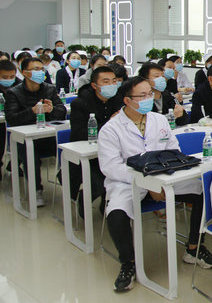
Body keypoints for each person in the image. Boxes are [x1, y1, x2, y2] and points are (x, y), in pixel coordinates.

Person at [98, 77, 212, 292]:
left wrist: (159, 181)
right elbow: (111, 167)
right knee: (116, 213)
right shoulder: (111, 129)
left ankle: (193, 248)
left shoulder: (159, 120)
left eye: (150, 93)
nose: (149, 98)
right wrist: (149, 183)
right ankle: (128, 263)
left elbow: (173, 149)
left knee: (202, 191)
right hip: (128, 183)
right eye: (142, 95)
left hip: (164, 179)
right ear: (127, 100)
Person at [5, 57, 67, 205]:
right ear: (24, 72)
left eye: (41, 69)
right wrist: (33, 111)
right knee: (30, 153)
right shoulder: (14, 93)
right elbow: (12, 119)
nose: (40, 72)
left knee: (66, 149)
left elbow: (62, 111)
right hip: (25, 139)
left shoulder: (49, 89)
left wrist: (51, 109)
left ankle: (67, 182)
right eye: (35, 69)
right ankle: (36, 189)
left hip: (47, 136)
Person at [68, 66, 122, 211]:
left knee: (122, 175)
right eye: (106, 81)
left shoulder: (118, 99)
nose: (111, 85)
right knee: (100, 182)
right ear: (94, 85)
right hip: (87, 155)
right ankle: (84, 200)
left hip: (112, 151)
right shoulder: (80, 103)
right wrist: (109, 124)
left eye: (114, 81)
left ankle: (109, 206)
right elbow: (79, 133)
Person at [0, 59, 22, 176]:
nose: (8, 79)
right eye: (4, 77)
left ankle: (15, 163)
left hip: (16, 119)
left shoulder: (20, 85)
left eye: (11, 76)